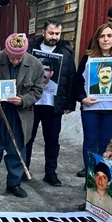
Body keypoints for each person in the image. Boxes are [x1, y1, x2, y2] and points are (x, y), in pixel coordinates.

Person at [0, 33, 43, 199]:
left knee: (16, 149)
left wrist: (23, 100)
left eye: (19, 58)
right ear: (6, 51)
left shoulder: (35, 65)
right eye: (12, 57)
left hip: (20, 115)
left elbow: (37, 90)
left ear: (24, 53)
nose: (15, 61)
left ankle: (14, 183)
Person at [74, 23, 112, 180]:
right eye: (102, 36)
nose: (106, 39)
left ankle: (103, 181)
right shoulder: (89, 57)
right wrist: (82, 98)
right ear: (97, 39)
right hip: (91, 107)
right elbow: (77, 81)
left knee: (107, 144)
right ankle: (91, 180)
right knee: (90, 142)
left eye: (109, 36)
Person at [25, 18, 75, 187]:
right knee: (27, 139)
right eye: (51, 33)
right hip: (32, 103)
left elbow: (71, 78)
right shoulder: (31, 48)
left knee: (52, 141)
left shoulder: (66, 52)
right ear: (43, 32)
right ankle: (23, 170)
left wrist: (69, 103)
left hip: (53, 105)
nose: (54, 37)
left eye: (57, 34)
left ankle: (50, 173)